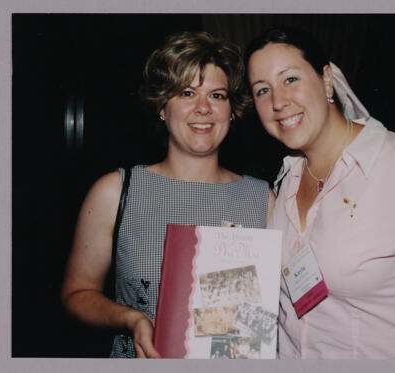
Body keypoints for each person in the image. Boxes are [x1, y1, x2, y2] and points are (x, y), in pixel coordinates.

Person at [245, 27, 395, 359]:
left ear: (327, 79)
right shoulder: (287, 179)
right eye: (262, 90)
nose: (277, 102)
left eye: (290, 79)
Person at [61, 31, 274, 358]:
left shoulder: (263, 200)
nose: (203, 108)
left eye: (217, 95)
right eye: (187, 92)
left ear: (232, 111)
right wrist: (130, 319)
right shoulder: (117, 191)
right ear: (162, 107)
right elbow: (77, 293)